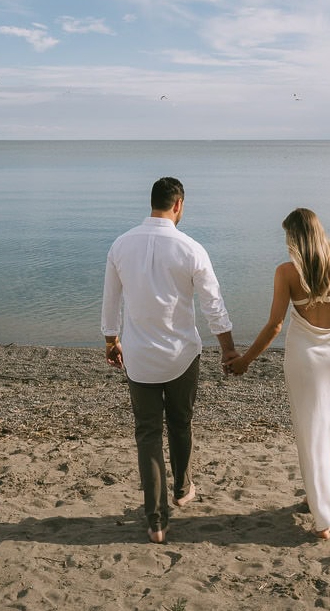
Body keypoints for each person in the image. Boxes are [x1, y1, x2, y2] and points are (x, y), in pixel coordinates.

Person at [101, 176, 237, 543]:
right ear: (178, 205)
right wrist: (227, 349)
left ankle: (156, 522)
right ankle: (182, 488)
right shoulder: (191, 248)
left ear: (152, 203)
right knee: (180, 423)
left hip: (140, 357)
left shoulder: (121, 245)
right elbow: (213, 304)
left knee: (147, 433)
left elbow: (111, 300)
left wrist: (112, 340)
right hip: (181, 356)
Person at [229, 208, 330, 539]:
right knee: (320, 431)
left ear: (295, 239)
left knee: (308, 432)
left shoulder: (286, 273)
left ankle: (324, 518)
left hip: (303, 359)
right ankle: (314, 498)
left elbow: (275, 325)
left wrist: (246, 359)